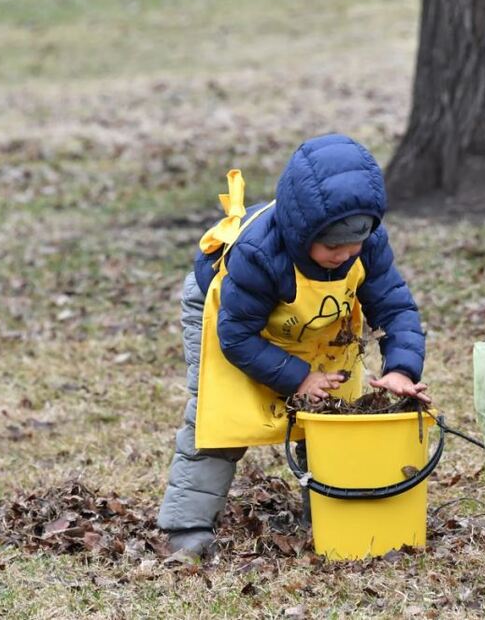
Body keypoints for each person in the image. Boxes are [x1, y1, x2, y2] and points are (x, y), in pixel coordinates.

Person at [157, 133, 429, 557]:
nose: (345, 254)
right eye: (333, 245)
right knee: (217, 416)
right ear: (301, 232)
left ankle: (327, 512)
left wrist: (401, 369)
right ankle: (187, 529)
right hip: (227, 312)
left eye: (354, 244)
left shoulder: (367, 246)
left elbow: (394, 307)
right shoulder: (260, 252)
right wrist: (297, 377)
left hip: (309, 322)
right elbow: (237, 336)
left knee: (332, 410)